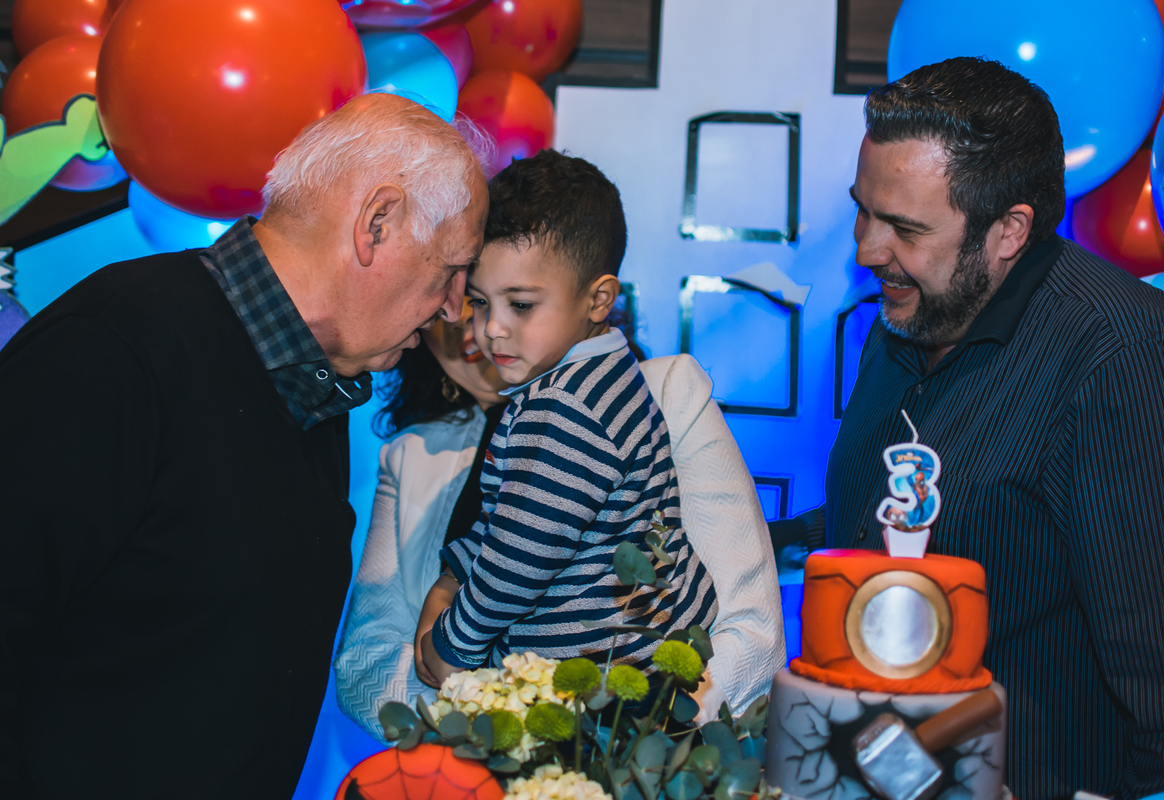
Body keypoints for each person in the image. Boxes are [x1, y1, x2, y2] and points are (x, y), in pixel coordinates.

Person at [0, 94, 487, 800]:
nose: (454, 306)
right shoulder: (113, 348)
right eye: (452, 268)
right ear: (376, 224)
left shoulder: (314, 388)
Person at [776, 57, 1164, 799]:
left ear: (1008, 232)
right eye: (864, 210)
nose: (868, 249)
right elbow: (912, 516)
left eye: (904, 227)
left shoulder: (1123, 357)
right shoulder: (911, 313)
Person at [334, 298, 784, 740]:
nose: (474, 325)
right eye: (462, 295)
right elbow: (363, 667)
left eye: (519, 299)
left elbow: (752, 632)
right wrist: (500, 738)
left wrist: (618, 753)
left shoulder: (662, 392)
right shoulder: (410, 453)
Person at [416, 150, 719, 686]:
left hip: (599, 679)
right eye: (481, 302)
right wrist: (457, 567)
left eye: (522, 305)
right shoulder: (607, 372)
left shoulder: (563, 407)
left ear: (599, 298)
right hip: (641, 651)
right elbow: (521, 519)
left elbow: (517, 565)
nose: (492, 330)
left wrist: (451, 644)